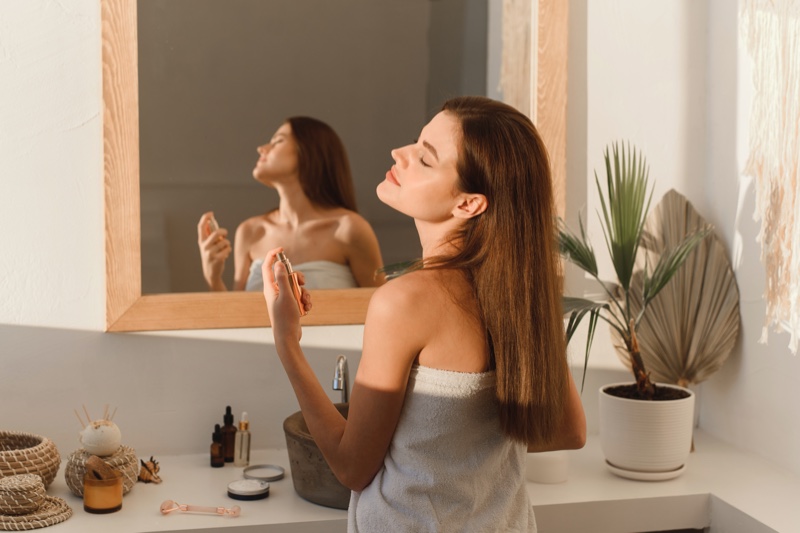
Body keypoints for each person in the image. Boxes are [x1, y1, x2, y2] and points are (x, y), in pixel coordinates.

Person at [263, 96, 586, 532]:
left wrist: (287, 343)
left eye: (425, 158)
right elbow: (568, 431)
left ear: (469, 204)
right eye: (416, 142)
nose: (401, 154)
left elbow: (351, 468)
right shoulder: (519, 296)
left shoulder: (405, 301)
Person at [197, 116, 384, 291]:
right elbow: (237, 317)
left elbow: (379, 307)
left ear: (309, 151)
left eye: (278, 141)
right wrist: (213, 277)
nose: (261, 148)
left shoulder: (349, 229)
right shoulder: (250, 232)